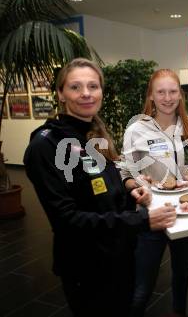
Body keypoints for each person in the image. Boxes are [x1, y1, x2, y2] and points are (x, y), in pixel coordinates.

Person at [23, 58, 177, 317]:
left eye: (93, 86)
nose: (86, 93)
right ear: (61, 94)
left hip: (117, 255)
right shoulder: (46, 146)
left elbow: (103, 188)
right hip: (86, 265)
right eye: (75, 87)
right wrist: (142, 220)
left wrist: (131, 191)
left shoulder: (93, 134)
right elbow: (68, 220)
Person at [121, 69, 188, 317]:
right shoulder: (136, 129)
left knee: (182, 274)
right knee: (143, 285)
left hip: (186, 212)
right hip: (151, 215)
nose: (168, 98)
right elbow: (125, 173)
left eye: (173, 91)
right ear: (151, 96)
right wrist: (137, 186)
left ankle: (178, 313)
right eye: (161, 92)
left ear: (181, 94)